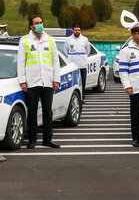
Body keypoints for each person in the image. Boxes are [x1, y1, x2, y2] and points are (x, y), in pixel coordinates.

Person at [16, 15, 60, 149]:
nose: (40, 24)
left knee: (48, 112)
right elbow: (21, 63)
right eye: (37, 23)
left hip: (47, 81)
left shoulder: (50, 40)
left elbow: (55, 62)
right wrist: (22, 81)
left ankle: (48, 139)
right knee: (33, 112)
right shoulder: (25, 41)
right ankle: (32, 139)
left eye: (41, 22)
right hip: (32, 82)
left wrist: (56, 79)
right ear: (31, 26)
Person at [65, 24, 92, 93]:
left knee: (82, 82)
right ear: (73, 31)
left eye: (79, 30)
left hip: (82, 64)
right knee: (73, 82)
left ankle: (82, 97)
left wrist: (83, 58)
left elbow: (88, 50)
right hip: (72, 65)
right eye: (76, 30)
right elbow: (66, 50)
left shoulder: (84, 39)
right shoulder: (68, 40)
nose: (77, 31)